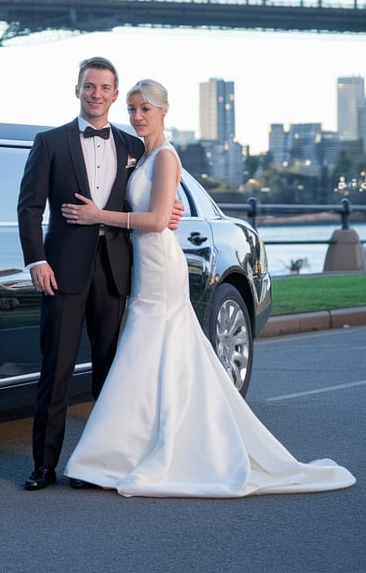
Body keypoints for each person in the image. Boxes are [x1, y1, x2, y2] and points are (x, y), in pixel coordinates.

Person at [61, 79, 355, 495]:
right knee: (158, 356)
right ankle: (122, 453)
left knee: (143, 351)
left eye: (145, 109)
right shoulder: (141, 157)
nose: (137, 116)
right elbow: (155, 209)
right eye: (131, 109)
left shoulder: (165, 157)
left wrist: (98, 216)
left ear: (164, 111)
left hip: (161, 263)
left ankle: (106, 459)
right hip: (146, 263)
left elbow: (159, 220)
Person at [17, 56, 165, 491]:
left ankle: (101, 463)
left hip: (117, 272)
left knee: (111, 373)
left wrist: (169, 211)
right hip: (61, 271)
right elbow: (29, 207)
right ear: (78, 90)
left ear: (115, 95)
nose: (96, 94)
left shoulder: (134, 147)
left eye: (104, 88)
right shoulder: (49, 143)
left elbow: (153, 199)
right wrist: (36, 259)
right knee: (56, 370)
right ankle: (44, 465)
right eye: (89, 86)